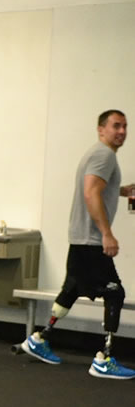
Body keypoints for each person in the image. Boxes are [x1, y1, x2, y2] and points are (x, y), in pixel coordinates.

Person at [23, 109, 135, 379]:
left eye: (125, 127)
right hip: (91, 240)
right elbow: (90, 192)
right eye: (115, 126)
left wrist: (121, 190)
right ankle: (104, 358)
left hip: (80, 237)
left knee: (72, 287)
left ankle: (39, 338)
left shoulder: (97, 154)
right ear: (101, 129)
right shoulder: (104, 155)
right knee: (114, 293)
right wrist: (107, 233)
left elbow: (96, 186)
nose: (121, 131)